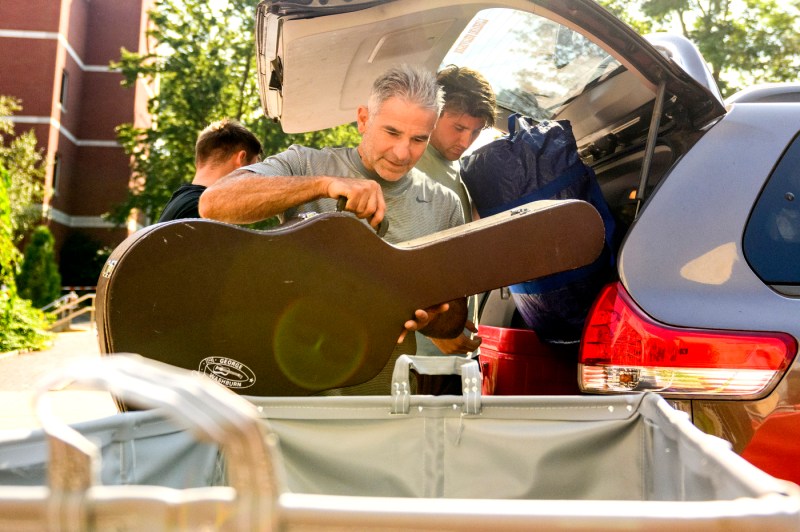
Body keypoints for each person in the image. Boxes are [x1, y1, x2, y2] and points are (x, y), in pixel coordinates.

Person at [199, 64, 468, 394]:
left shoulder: (445, 204)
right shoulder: (307, 165)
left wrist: (431, 319)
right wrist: (325, 186)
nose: (402, 153)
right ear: (364, 119)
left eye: (418, 139)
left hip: (385, 401)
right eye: (392, 133)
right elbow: (214, 202)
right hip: (295, 392)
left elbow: (455, 318)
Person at [414, 65, 497, 362]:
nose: (465, 141)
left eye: (475, 132)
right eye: (458, 128)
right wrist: (434, 330)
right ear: (432, 114)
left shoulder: (455, 169)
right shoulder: (412, 165)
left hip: (453, 356)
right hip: (417, 359)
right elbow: (387, 260)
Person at [157, 119, 262, 222]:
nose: (253, 177)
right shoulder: (203, 211)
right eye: (252, 169)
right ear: (241, 158)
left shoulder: (181, 202)